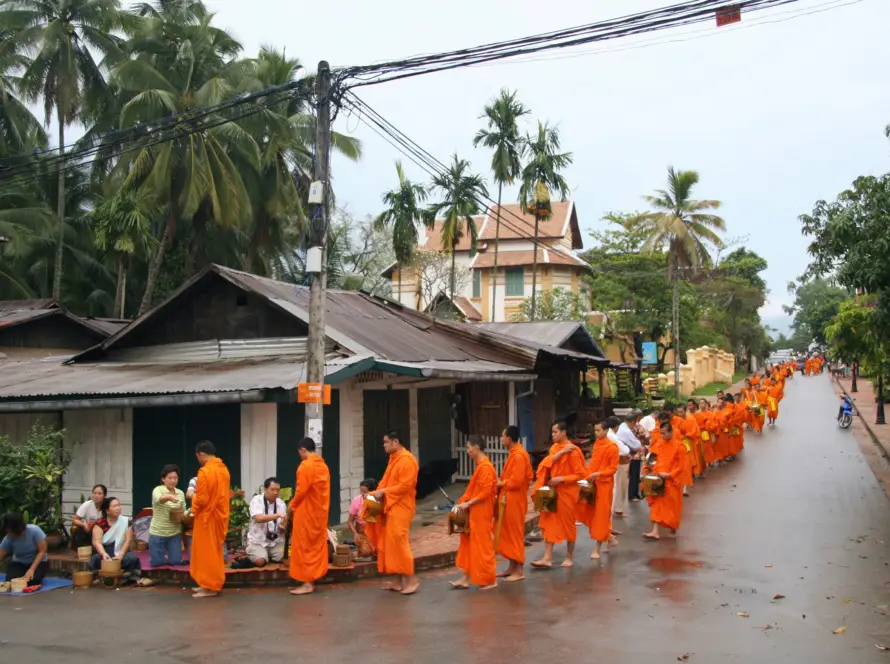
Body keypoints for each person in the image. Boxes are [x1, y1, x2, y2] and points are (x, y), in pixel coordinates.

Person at [530, 420, 586, 569]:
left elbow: (580, 474)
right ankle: (547, 557)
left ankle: (569, 557)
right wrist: (559, 454)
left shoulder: (573, 451)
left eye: (555, 432)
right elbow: (545, 465)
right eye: (552, 432)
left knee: (568, 525)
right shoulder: (555, 448)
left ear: (564, 433)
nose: (553, 435)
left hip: (568, 492)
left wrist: (562, 478)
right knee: (549, 523)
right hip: (553, 492)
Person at [373, 430, 420, 595]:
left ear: (396, 442)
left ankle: (412, 579)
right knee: (391, 544)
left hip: (402, 506)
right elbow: (386, 481)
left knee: (399, 542)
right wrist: (373, 495)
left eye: (386, 442)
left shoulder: (407, 460)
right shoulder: (394, 459)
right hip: (391, 505)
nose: (384, 445)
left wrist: (384, 492)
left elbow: (404, 486)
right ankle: (397, 580)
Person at [450, 435, 498, 590]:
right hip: (474, 512)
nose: (468, 451)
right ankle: (466, 578)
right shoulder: (480, 466)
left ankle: (491, 579)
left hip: (482, 512)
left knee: (483, 547)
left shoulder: (486, 467)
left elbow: (484, 493)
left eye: (469, 447)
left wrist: (468, 503)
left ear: (477, 447)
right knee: (470, 545)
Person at [289, 439, 331, 596]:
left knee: (304, 547)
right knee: (314, 546)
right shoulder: (323, 466)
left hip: (306, 513)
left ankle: (307, 583)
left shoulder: (306, 466)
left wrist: (291, 506)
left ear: (302, 449)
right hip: (319, 513)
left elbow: (301, 491)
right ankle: (313, 578)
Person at [190, 440, 230, 599]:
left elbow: (201, 499)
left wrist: (192, 504)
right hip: (219, 516)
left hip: (206, 518)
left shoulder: (205, 472)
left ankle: (211, 586)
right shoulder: (223, 470)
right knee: (214, 551)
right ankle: (207, 583)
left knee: (207, 553)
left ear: (200, 454)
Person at [495, 425, 533, 582]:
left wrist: (501, 483)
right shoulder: (515, 454)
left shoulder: (518, 456)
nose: (501, 438)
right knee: (508, 532)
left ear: (509, 438)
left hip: (514, 499)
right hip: (508, 498)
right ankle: (512, 566)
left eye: (503, 436)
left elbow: (516, 482)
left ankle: (519, 570)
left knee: (515, 534)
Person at [576, 421, 619, 560]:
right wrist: (587, 476)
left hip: (604, 485)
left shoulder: (612, 447)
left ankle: (597, 548)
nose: (596, 433)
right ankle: (609, 536)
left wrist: (599, 474)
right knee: (589, 512)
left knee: (601, 516)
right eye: (595, 430)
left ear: (606, 431)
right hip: (593, 484)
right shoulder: (597, 445)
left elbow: (613, 469)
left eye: (599, 430)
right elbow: (593, 464)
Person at [643, 421, 684, 540]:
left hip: (671, 480)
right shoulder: (659, 444)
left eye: (664, 433)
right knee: (656, 504)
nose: (662, 436)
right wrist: (646, 469)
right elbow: (652, 459)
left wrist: (670, 475)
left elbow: (680, 466)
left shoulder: (679, 447)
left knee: (672, 507)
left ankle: (673, 527)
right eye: (661, 433)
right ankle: (655, 531)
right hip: (657, 478)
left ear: (671, 432)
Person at [90, 497, 142, 583]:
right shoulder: (100, 523)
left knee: (132, 558)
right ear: (107, 510)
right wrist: (103, 554)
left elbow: (127, 541)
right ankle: (100, 577)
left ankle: (125, 578)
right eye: (114, 506)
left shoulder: (125, 521)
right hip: (105, 551)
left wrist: (121, 555)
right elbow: (97, 542)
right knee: (95, 559)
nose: (118, 508)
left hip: (121, 551)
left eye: (119, 505)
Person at [148, 465, 186, 567]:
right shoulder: (158, 489)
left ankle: (170, 557)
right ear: (163, 479)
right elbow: (158, 499)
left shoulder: (180, 493)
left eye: (175, 478)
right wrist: (168, 497)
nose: (173, 480)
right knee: (157, 563)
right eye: (170, 478)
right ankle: (160, 557)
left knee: (175, 562)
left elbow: (183, 510)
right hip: (158, 532)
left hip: (175, 533)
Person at [0, 512, 48, 588]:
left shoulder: (34, 531)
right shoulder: (8, 538)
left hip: (38, 562)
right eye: (7, 531)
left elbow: (42, 551)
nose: (9, 533)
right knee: (11, 582)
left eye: (10, 531)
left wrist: (31, 569)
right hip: (19, 562)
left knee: (34, 581)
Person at [248, 477, 287, 568]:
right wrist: (277, 515)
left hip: (275, 542)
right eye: (272, 490)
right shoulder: (256, 500)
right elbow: (259, 518)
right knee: (260, 561)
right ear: (265, 489)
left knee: (287, 558)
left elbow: (283, 525)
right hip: (258, 541)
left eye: (277, 490)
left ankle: (268, 555)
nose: (275, 493)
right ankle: (260, 555)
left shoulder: (281, 503)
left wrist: (283, 526)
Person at [613, 414, 641, 518]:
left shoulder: (621, 430)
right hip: (622, 460)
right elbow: (635, 446)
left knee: (620, 485)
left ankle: (618, 509)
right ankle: (618, 510)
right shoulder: (624, 431)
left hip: (622, 460)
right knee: (621, 485)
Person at [348, 479, 377, 556]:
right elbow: (350, 521)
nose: (362, 494)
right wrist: (355, 533)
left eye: (365, 492)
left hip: (377, 532)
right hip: (362, 532)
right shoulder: (357, 500)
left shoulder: (379, 500)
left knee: (379, 551)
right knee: (366, 552)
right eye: (361, 491)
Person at [72, 484, 107, 548]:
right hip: (90, 530)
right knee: (79, 531)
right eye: (94, 493)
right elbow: (75, 519)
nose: (96, 496)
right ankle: (81, 551)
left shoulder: (108, 506)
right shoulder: (87, 504)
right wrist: (84, 525)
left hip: (103, 532)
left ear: (104, 496)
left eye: (99, 494)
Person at [628, 410, 649, 502]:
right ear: (638, 416)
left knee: (634, 475)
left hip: (631, 452)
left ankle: (634, 493)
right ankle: (633, 495)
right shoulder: (636, 426)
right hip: (636, 453)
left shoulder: (628, 426)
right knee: (634, 475)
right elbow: (644, 436)